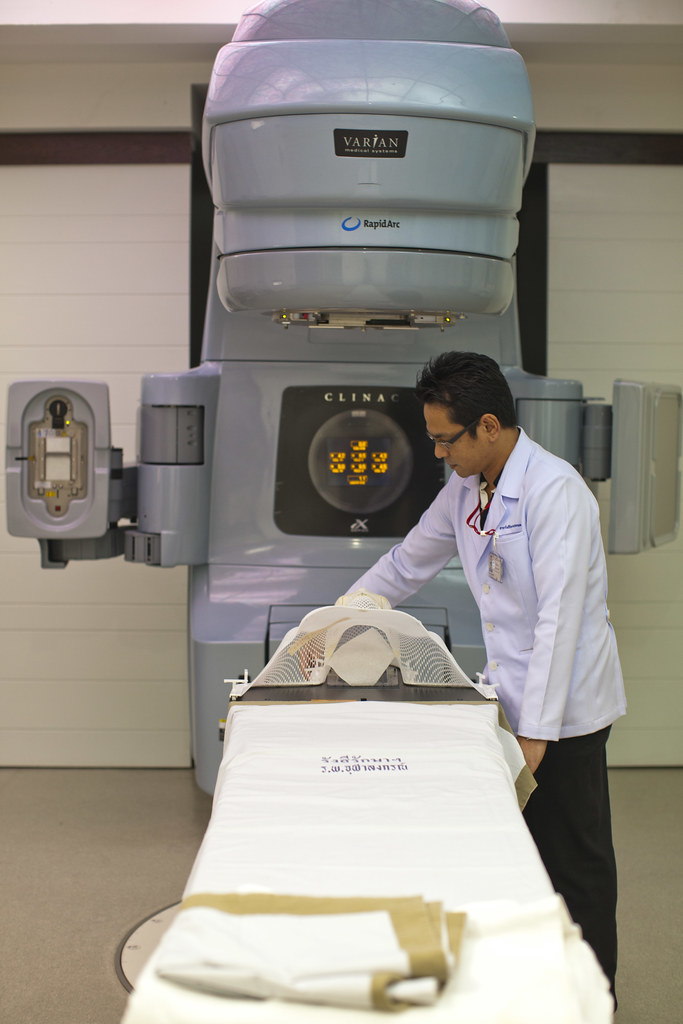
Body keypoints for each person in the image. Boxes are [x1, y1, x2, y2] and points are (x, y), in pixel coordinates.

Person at [347, 350, 626, 1000]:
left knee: (574, 865)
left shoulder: (556, 492)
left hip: (567, 712)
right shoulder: (467, 488)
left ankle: (595, 1000)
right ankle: (530, 990)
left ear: (489, 427)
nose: (439, 452)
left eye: (446, 439)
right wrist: (344, 615)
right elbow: (406, 564)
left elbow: (559, 621)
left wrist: (536, 735)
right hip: (508, 700)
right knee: (514, 859)